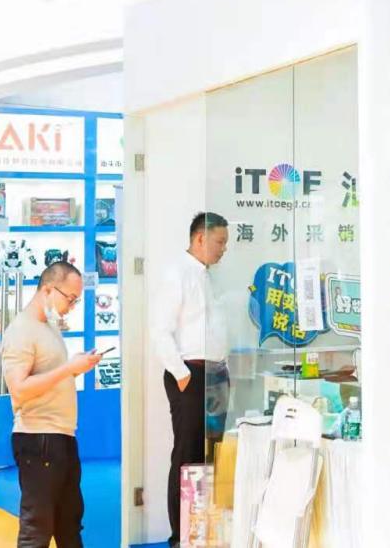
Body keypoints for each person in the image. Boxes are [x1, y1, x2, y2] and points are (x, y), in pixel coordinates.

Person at [1, 261, 103, 548]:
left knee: (69, 523)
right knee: (38, 528)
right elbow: (18, 390)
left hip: (61, 436)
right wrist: (69, 369)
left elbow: (50, 377)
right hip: (38, 438)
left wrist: (76, 367)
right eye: (70, 298)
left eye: (76, 300)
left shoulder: (48, 327)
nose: (72, 306)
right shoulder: (22, 330)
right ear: (47, 290)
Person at [150, 212, 230, 548]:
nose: (224, 249)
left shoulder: (208, 276)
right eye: (220, 242)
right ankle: (180, 536)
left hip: (215, 373)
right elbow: (160, 331)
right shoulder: (177, 274)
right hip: (191, 374)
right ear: (200, 238)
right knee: (188, 454)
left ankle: (203, 530)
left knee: (212, 453)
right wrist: (183, 376)